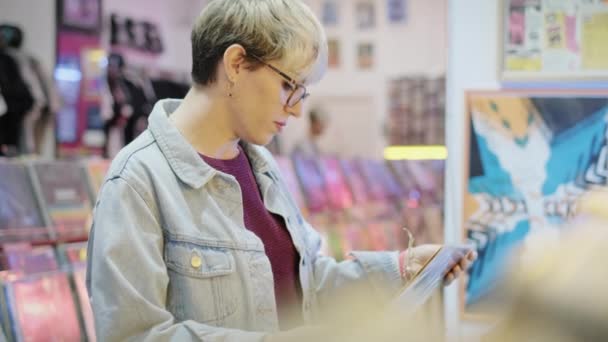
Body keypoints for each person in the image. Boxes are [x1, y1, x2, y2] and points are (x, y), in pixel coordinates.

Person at [86, 1, 476, 341]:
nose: (297, 109)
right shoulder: (138, 183)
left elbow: (308, 282)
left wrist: (400, 267)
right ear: (236, 64)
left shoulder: (261, 166)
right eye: (291, 85)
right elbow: (134, 335)